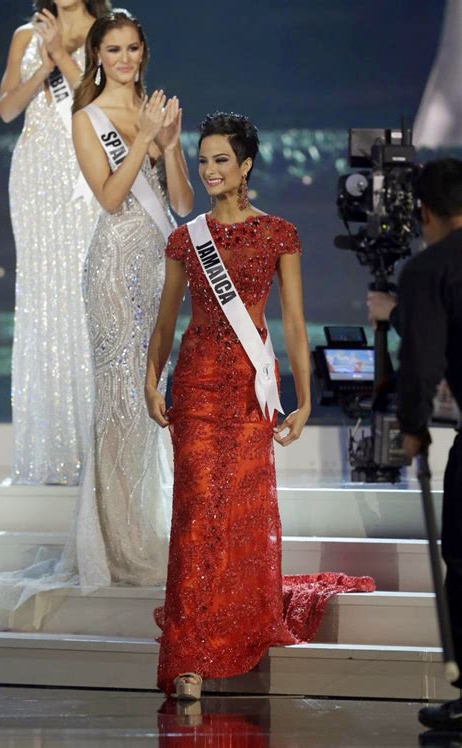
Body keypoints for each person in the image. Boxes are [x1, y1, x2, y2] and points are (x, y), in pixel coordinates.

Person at [145, 112, 374, 700]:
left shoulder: (278, 233)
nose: (210, 170)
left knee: (241, 512)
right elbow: (167, 320)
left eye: (222, 159)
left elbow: (294, 322)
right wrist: (152, 378)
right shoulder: (185, 237)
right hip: (196, 387)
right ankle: (190, 654)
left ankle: (238, 624)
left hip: (252, 391)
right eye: (203, 160)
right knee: (196, 514)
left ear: (245, 165)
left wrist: (305, 393)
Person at [0, 9, 193, 617]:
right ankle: (112, 541)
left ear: (142, 54)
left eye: (133, 49)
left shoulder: (155, 112)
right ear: (98, 56)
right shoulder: (87, 116)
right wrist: (141, 140)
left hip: (157, 265)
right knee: (118, 400)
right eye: (115, 49)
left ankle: (145, 524)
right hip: (110, 269)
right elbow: (108, 196)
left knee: (151, 398)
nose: (125, 59)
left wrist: (172, 146)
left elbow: (180, 202)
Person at [0, 0, 111, 485]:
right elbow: (6, 109)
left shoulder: (108, 30)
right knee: (43, 300)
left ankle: (96, 449)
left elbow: (107, 108)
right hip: (35, 176)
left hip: (84, 174)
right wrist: (41, 62)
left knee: (83, 297)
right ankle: (49, 451)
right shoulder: (26, 34)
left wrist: (63, 57)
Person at [386, 159, 462, 731]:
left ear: (425, 213)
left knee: (461, 560)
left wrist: (412, 427)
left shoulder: (431, 269)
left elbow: (422, 360)